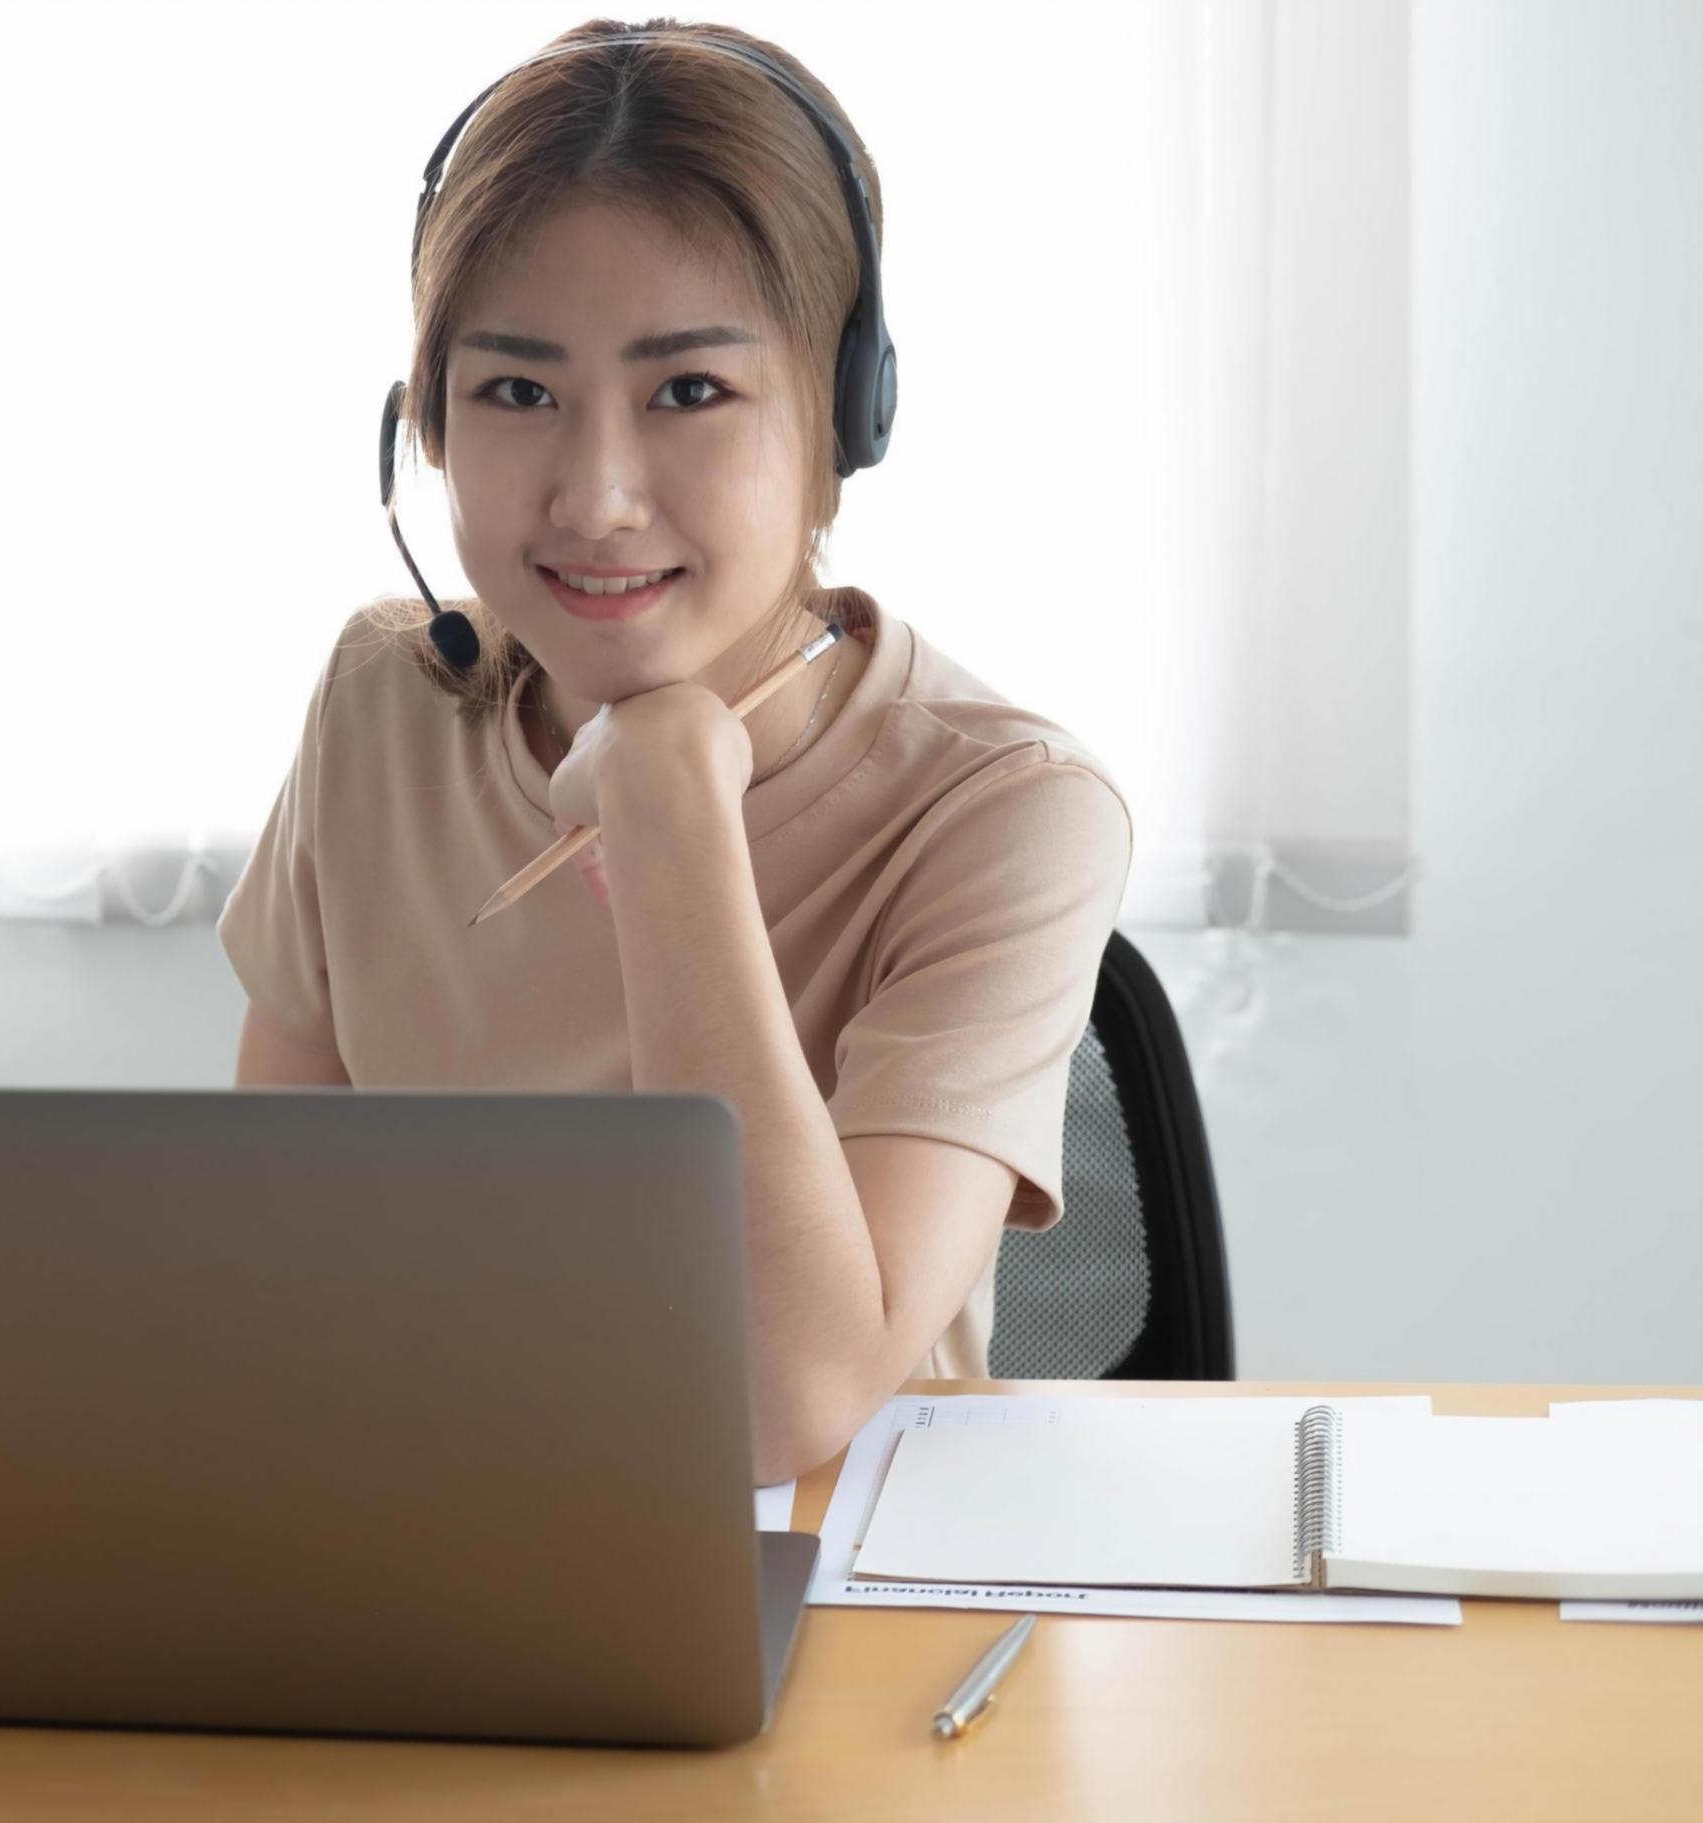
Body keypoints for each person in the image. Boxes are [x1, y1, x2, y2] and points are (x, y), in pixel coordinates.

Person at [218, 19, 1134, 1484]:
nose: (595, 498)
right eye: (516, 391)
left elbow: (784, 1407)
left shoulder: (1008, 812)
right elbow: (273, 1256)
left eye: (690, 392)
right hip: (423, 1530)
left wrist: (668, 815)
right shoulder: (378, 702)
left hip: (829, 1598)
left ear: (845, 418)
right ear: (427, 427)